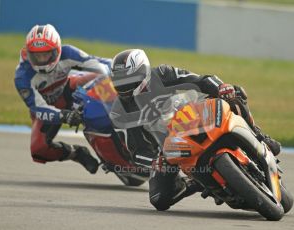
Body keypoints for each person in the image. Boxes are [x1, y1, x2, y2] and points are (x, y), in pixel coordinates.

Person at [109, 49, 281, 210]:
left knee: (234, 93)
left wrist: (220, 87)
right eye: (119, 82)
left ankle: (260, 136)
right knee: (159, 199)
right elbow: (137, 151)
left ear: (143, 71)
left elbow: (200, 80)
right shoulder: (119, 112)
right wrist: (155, 162)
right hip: (169, 149)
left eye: (129, 80)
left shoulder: (162, 73)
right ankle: (194, 183)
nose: (125, 86)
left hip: (196, 116)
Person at [14, 24, 111, 174]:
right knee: (39, 150)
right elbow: (37, 108)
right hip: (46, 107)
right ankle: (76, 153)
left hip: (70, 90)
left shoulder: (68, 53)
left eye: (46, 54)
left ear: (57, 50)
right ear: (28, 53)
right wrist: (63, 115)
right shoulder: (22, 77)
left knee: (103, 76)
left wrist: (120, 69)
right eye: (37, 55)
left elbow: (99, 64)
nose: (42, 60)